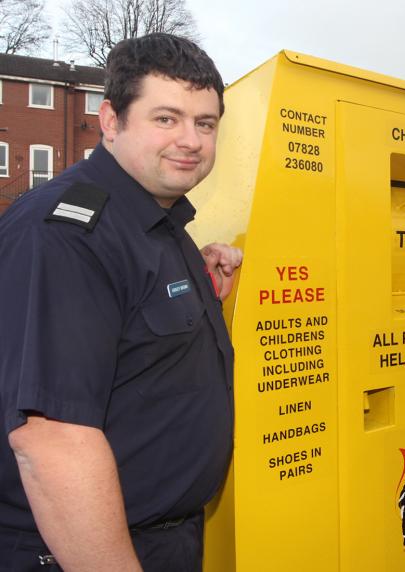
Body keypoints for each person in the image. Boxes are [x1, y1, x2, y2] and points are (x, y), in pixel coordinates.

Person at [0, 34, 242, 571]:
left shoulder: (155, 221)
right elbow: (52, 443)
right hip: (84, 551)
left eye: (205, 123)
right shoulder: (66, 234)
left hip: (164, 541)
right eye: (166, 119)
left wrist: (201, 289)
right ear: (110, 120)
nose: (191, 140)